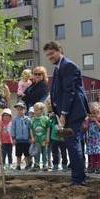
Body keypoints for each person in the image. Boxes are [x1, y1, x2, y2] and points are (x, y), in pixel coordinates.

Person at [44, 41, 90, 186]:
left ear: (59, 51)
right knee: (73, 144)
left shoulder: (68, 65)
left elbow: (69, 91)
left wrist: (63, 113)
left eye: (52, 53)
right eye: (47, 55)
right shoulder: (58, 68)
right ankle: (80, 176)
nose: (50, 57)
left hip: (73, 112)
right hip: (69, 112)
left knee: (73, 144)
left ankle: (78, 179)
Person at [46, 99, 68, 172]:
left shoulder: (61, 114)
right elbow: (49, 127)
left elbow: (62, 124)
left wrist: (57, 116)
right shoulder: (50, 116)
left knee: (63, 152)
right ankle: (55, 164)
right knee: (54, 152)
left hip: (62, 138)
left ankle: (64, 165)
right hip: (54, 138)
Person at [30, 102, 50, 172]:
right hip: (36, 139)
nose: (35, 111)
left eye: (36, 110)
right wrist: (32, 137)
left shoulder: (46, 119)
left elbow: (48, 129)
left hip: (44, 139)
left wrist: (47, 137)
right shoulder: (33, 119)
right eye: (34, 110)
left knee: (45, 152)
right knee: (36, 152)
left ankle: (45, 164)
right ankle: (37, 164)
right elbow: (31, 129)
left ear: (41, 110)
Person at [11, 102, 31, 170]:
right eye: (18, 109)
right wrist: (13, 138)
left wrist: (30, 137)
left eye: (21, 109)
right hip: (18, 140)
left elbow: (30, 129)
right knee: (18, 154)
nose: (19, 111)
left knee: (27, 154)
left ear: (25, 110)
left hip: (26, 140)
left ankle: (27, 164)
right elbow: (13, 129)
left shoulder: (28, 119)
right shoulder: (15, 120)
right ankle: (18, 165)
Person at [85, 102, 100, 174]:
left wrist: (96, 121)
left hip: (97, 140)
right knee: (91, 154)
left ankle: (98, 166)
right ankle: (92, 166)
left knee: (98, 153)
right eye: (92, 113)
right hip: (91, 140)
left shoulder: (98, 119)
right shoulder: (89, 120)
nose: (93, 115)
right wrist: (87, 120)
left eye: (95, 113)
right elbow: (85, 127)